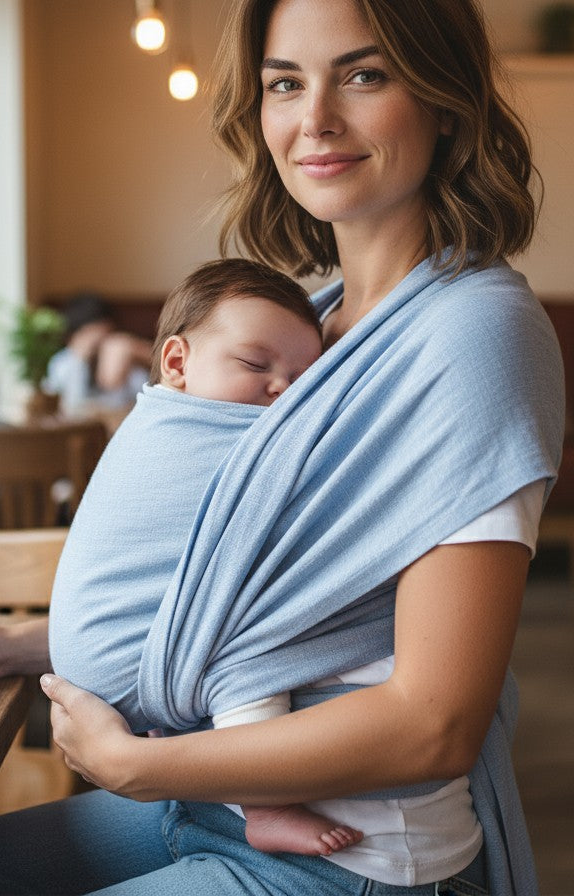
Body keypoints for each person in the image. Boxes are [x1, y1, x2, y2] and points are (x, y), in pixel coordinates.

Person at [0, 0, 564, 896]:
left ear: (444, 99)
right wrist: (22, 641)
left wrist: (134, 763)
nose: (314, 117)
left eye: (363, 75)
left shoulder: (474, 332)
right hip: (215, 801)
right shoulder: (315, 321)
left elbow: (435, 717)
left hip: (351, 854)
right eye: (286, 81)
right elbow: (252, 597)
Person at [50, 256, 363, 857]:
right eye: (255, 364)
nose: (282, 390)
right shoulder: (193, 432)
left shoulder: (143, 424)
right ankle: (265, 803)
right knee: (254, 641)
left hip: (90, 659)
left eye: (304, 380)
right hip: (129, 659)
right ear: (176, 363)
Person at [46, 292, 153, 412]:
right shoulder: (64, 363)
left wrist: (134, 350)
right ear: (72, 337)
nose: (94, 343)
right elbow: (70, 405)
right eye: (87, 335)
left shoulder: (122, 353)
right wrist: (80, 360)